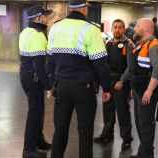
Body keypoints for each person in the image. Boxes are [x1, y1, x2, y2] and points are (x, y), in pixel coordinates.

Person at [46, 0, 111, 158]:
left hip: (61, 86)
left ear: (70, 8)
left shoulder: (56, 27)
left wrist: (52, 85)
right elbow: (100, 63)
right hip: (84, 88)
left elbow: (50, 61)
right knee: (85, 130)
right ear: (83, 8)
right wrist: (107, 87)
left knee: (60, 129)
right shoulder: (91, 29)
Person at [94, 19, 133, 151]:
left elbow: (130, 67)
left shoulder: (128, 44)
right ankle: (107, 135)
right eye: (115, 27)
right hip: (109, 82)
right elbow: (104, 64)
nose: (117, 30)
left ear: (124, 29)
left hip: (121, 83)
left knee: (123, 112)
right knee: (108, 110)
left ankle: (127, 139)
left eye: (120, 27)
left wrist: (122, 81)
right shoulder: (108, 44)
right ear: (112, 29)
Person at [128, 18, 158, 158]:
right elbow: (137, 69)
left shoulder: (155, 46)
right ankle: (142, 154)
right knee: (139, 123)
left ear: (145, 29)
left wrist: (149, 91)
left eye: (137, 26)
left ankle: (147, 155)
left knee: (146, 126)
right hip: (139, 91)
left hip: (148, 93)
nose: (135, 29)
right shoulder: (141, 44)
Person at [19, 5, 52, 158]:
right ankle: (29, 148)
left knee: (38, 110)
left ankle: (39, 141)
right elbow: (39, 65)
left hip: (25, 76)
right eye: (45, 16)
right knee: (35, 112)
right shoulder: (38, 35)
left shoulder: (25, 32)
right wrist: (49, 86)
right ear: (38, 18)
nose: (47, 18)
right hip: (34, 78)